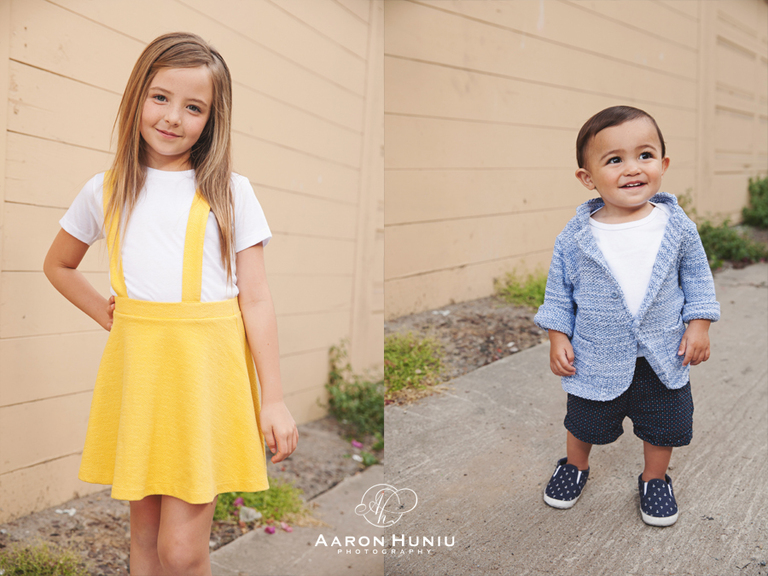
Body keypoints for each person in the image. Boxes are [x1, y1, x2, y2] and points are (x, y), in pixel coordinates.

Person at [44, 32, 298, 575]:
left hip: (206, 377)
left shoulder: (232, 192)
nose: (172, 117)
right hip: (142, 376)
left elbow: (255, 298)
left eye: (193, 107)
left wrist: (273, 399)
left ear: (211, 119)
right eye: (160, 97)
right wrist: (106, 313)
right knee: (146, 541)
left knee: (182, 553)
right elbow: (58, 265)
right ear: (137, 95)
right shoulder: (105, 189)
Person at [533, 105, 720, 527]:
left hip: (664, 354)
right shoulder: (577, 236)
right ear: (587, 178)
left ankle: (654, 479)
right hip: (596, 355)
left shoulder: (677, 226)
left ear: (663, 164)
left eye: (645, 155)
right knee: (584, 420)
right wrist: (557, 335)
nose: (632, 169)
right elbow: (559, 292)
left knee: (664, 425)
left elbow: (698, 280)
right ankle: (575, 465)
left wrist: (700, 325)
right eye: (614, 159)